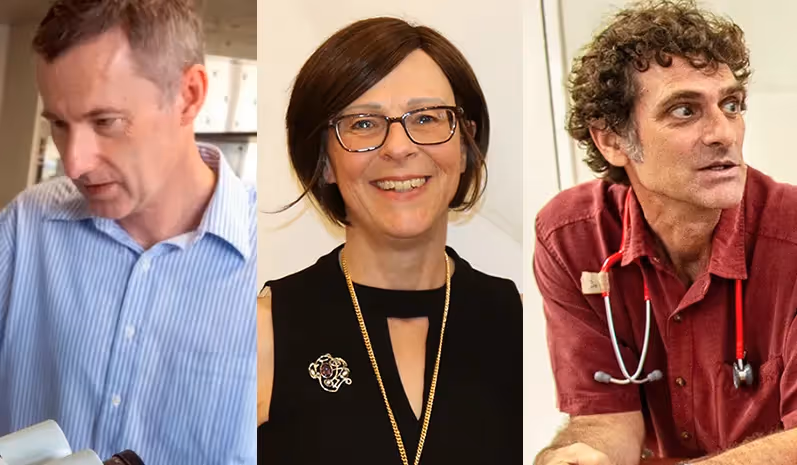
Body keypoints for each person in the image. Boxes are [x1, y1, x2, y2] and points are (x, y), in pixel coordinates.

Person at [532, 1, 797, 464]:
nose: (723, 133)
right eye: (684, 111)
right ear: (612, 140)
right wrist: (576, 457)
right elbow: (607, 418)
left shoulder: (791, 237)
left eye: (731, 105)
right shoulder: (573, 239)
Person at [0, 1, 256, 464]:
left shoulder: (274, 267)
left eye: (106, 122)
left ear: (189, 95)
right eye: (59, 124)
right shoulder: (24, 228)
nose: (74, 162)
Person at [258, 17, 523, 464]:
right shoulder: (264, 331)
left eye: (427, 118)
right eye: (363, 124)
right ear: (323, 162)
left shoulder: (521, 322)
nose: (398, 147)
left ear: (464, 149)